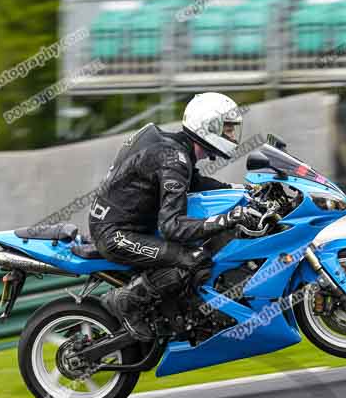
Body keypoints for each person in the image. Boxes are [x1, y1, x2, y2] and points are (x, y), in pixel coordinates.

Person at [90, 92, 252, 341]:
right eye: (228, 129)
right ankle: (126, 302)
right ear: (208, 126)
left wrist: (239, 190)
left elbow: (194, 182)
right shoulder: (173, 158)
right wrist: (227, 219)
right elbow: (172, 227)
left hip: (128, 226)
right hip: (116, 235)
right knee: (192, 258)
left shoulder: (175, 150)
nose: (232, 136)